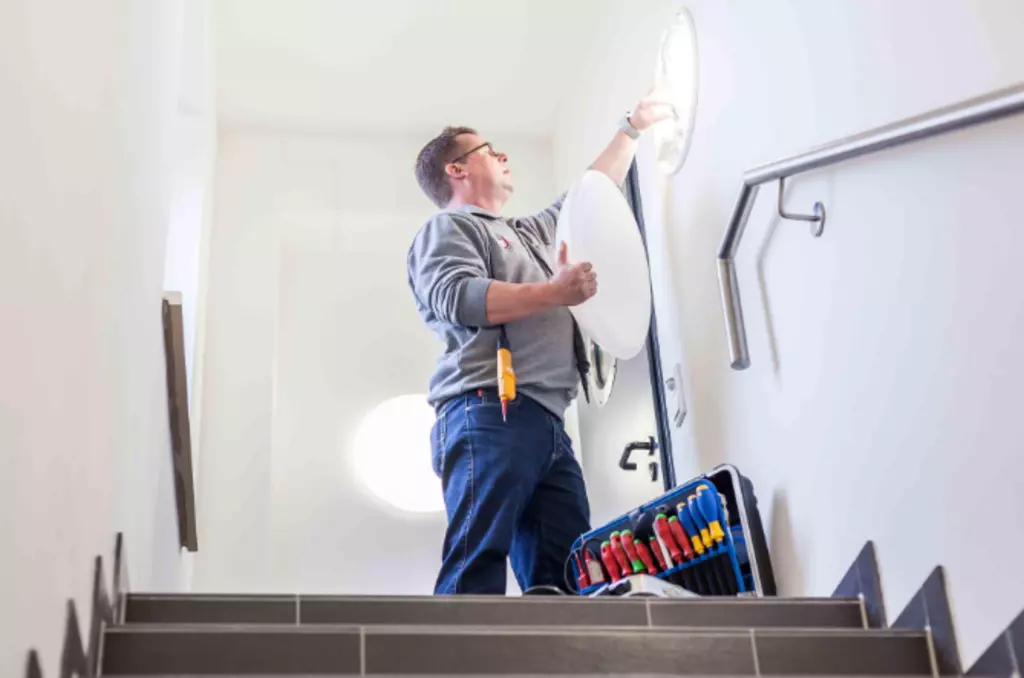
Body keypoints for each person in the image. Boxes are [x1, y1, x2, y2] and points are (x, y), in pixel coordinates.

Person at [407, 90, 673, 594]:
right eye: (488, 150)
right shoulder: (449, 228)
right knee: (477, 556)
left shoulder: (526, 234)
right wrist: (555, 292)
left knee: (567, 576)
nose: (502, 155)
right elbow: (459, 297)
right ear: (456, 170)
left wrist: (632, 128)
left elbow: (589, 196)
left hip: (547, 421)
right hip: (489, 410)